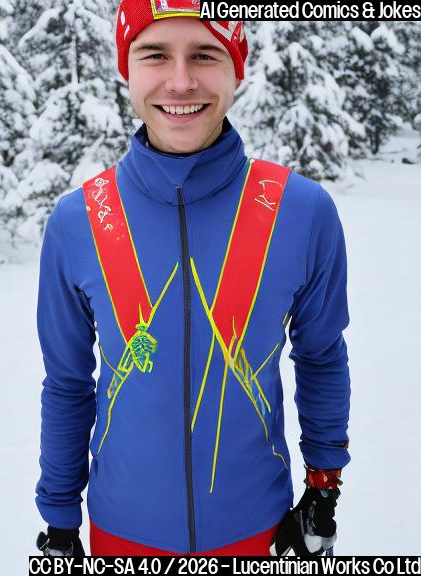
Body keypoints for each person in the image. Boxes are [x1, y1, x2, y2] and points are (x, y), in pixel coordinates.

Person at [34, 0, 350, 557]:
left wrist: (324, 484)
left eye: (205, 54)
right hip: (121, 536)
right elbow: (67, 383)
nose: (180, 81)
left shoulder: (300, 210)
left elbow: (321, 355)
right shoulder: (78, 220)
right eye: (155, 54)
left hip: (256, 530)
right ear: (127, 69)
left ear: (236, 69)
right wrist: (59, 521)